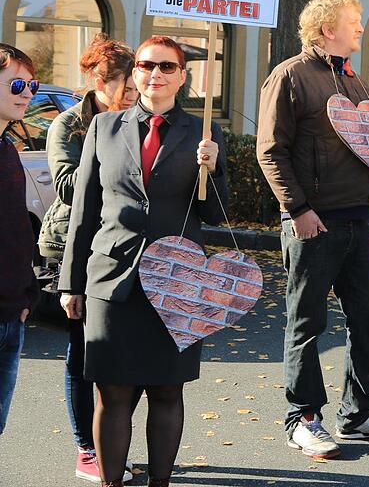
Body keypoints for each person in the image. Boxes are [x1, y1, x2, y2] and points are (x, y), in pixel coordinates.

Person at [258, 0, 369, 458]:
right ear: (328, 28)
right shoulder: (290, 77)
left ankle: (357, 412)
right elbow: (271, 151)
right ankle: (303, 418)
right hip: (313, 223)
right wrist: (297, 210)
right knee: (306, 324)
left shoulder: (355, 80)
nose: (359, 28)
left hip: (358, 220)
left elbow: (364, 145)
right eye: (352, 21)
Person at [59, 35, 229, 487]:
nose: (156, 74)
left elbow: (217, 213)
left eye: (167, 67)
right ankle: (111, 483)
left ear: (182, 76)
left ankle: (159, 483)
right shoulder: (105, 128)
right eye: (147, 65)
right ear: (134, 73)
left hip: (177, 280)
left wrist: (211, 171)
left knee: (167, 390)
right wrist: (70, 283)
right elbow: (85, 210)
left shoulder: (204, 133)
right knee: (111, 393)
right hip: (112, 279)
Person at [38, 34, 138, 482]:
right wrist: (107, 146)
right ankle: (87, 447)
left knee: (125, 353)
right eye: (125, 85)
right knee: (83, 350)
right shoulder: (69, 124)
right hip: (72, 247)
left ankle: (110, 438)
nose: (134, 93)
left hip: (124, 249)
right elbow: (64, 187)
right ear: (101, 82)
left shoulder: (139, 121)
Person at [0, 43, 40, 437]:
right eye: (17, 85)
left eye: (32, 84)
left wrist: (27, 296)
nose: (28, 93)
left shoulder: (8, 149)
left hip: (12, 315)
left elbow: (16, 230)